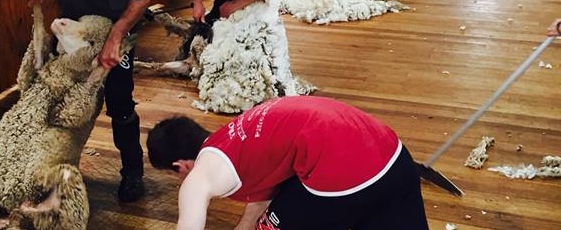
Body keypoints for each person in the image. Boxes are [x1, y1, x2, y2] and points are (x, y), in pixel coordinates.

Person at [17, 0, 154, 203]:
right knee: (63, 102)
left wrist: (116, 37)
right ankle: (54, 173)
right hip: (73, 25)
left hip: (111, 23)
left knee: (119, 102)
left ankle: (132, 172)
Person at [147, 96, 429, 230]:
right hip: (393, 156)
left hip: (345, 174)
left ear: (180, 166)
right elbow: (265, 193)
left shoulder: (202, 171)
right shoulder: (238, 139)